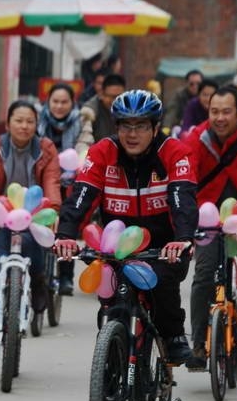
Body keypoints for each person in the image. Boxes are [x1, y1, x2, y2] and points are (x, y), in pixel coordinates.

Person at [55, 89, 198, 366]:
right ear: (116, 126)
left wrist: (183, 238)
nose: (133, 134)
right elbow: (81, 196)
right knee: (112, 303)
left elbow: (183, 199)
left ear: (155, 127)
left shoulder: (175, 152)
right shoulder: (102, 152)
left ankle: (174, 336)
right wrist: (65, 234)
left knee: (160, 284)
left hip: (164, 246)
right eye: (125, 126)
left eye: (141, 126)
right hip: (116, 244)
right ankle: (110, 360)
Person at [0, 100, 61, 360]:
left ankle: (38, 282)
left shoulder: (46, 148)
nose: (24, 126)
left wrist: (54, 210)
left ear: (36, 125)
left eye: (30, 121)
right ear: (8, 122)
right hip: (1, 215)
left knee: (36, 262)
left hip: (34, 215)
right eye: (19, 120)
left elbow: (52, 182)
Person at [185, 83, 237, 370]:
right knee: (203, 275)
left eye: (227, 111)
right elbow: (186, 176)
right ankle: (200, 344)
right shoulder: (197, 138)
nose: (220, 118)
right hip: (208, 216)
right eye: (214, 111)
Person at [37, 82, 82, 295]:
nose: (59, 106)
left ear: (72, 103)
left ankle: (65, 276)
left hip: (69, 182)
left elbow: (84, 146)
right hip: (41, 180)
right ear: (48, 102)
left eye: (64, 102)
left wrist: (77, 166)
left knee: (66, 228)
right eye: (55, 101)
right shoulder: (36, 119)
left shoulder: (82, 121)